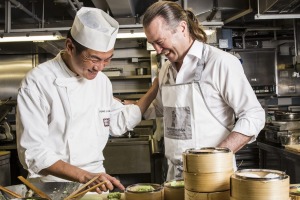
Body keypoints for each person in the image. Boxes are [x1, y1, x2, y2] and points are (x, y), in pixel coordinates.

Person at [16, 7, 158, 192]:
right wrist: (84, 176)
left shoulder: (102, 82)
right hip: (50, 185)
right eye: (94, 59)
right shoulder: (38, 82)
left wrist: (156, 88)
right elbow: (33, 152)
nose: (100, 67)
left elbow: (118, 121)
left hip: (96, 183)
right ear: (70, 46)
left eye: (107, 60)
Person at [142, 1, 265, 181]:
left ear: (182, 28)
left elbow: (254, 115)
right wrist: (121, 107)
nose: (157, 50)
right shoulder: (166, 70)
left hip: (213, 175)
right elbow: (160, 109)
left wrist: (216, 155)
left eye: (160, 42)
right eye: (153, 43)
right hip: (174, 176)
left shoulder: (220, 63)